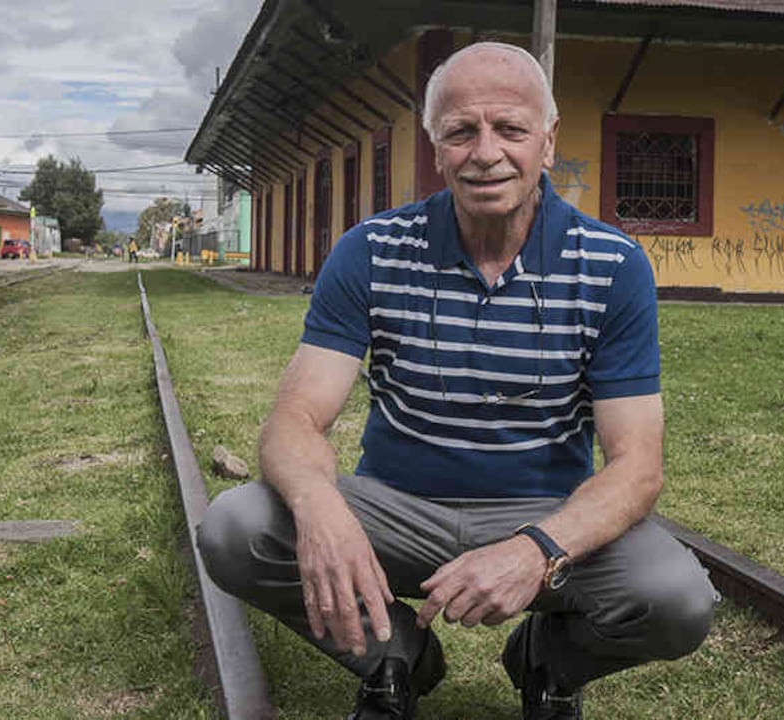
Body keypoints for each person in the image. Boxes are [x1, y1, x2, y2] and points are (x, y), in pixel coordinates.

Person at [197, 42, 716, 720]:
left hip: (543, 512)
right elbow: (295, 418)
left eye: (510, 129)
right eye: (461, 131)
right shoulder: (372, 251)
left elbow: (639, 467)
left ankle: (547, 663)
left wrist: (538, 550)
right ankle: (395, 656)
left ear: (548, 143)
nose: (486, 152)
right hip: (396, 507)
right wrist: (320, 507)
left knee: (677, 597)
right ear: (435, 147)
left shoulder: (612, 265)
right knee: (235, 528)